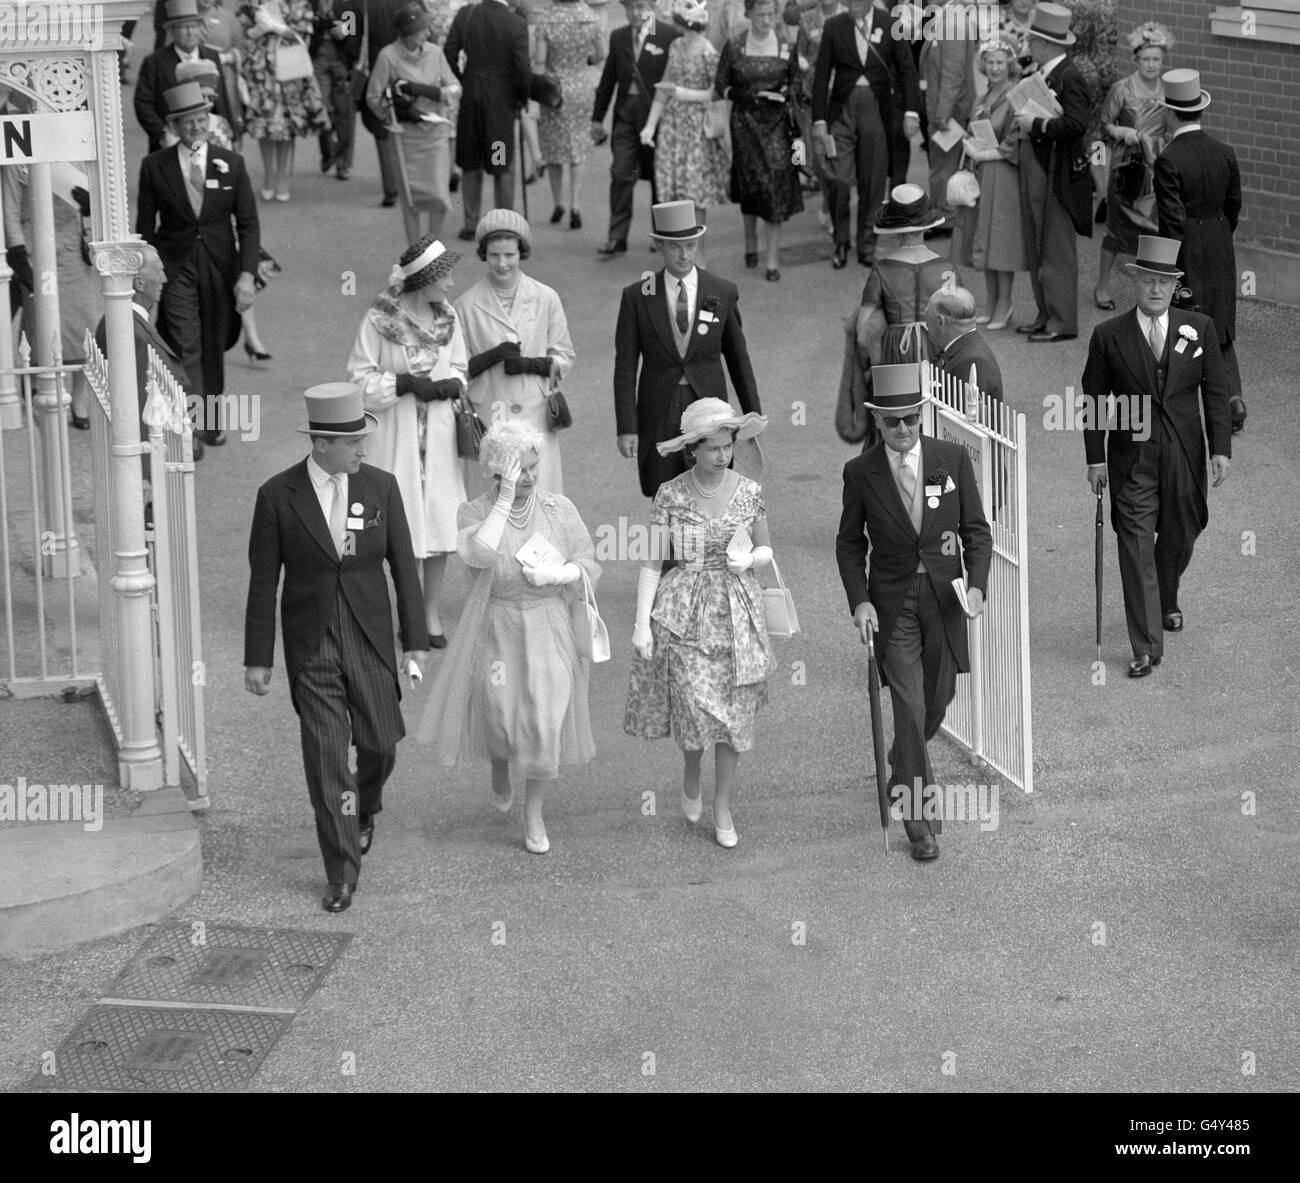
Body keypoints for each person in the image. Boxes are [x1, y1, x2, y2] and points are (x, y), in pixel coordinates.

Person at [243, 383, 428, 912]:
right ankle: (341, 871)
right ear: (323, 444)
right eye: (353, 444)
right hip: (313, 646)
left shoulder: (382, 488)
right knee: (327, 759)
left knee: (381, 745)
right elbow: (263, 583)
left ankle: (365, 807)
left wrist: (414, 642)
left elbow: (404, 569)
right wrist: (259, 656)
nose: (363, 451)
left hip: (368, 638)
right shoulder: (277, 496)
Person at [416, 420, 600, 854]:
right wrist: (501, 503)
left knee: (545, 720)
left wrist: (561, 572)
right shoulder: (474, 512)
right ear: (494, 475)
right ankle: (499, 760)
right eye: (519, 472)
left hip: (547, 621)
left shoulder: (558, 508)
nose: (530, 479)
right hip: (496, 624)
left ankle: (533, 813)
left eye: (534, 468)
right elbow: (478, 555)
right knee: (500, 714)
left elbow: (588, 563)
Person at [835, 362, 991, 861]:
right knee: (909, 707)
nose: (902, 430)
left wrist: (979, 587)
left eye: (910, 419)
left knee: (937, 700)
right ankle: (920, 823)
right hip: (892, 605)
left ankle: (902, 762)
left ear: (922, 414)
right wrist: (859, 601)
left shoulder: (953, 458)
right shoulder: (860, 473)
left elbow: (977, 533)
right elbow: (847, 543)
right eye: (891, 421)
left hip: (945, 601)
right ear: (877, 421)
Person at [624, 398, 775, 848]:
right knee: (692, 706)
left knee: (734, 717)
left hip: (736, 610)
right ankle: (692, 769)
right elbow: (652, 561)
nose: (722, 455)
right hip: (685, 609)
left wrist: (748, 558)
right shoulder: (669, 494)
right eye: (712, 448)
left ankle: (722, 806)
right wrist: (641, 624)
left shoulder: (749, 491)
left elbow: (767, 551)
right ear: (693, 449)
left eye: (727, 446)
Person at [1082, 235, 1232, 678]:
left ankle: (1167, 594)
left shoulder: (1197, 328)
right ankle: (1147, 645)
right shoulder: (1108, 336)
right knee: (1134, 542)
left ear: (1174, 288)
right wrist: (1095, 460)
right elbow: (1093, 401)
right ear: (1136, 282)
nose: (1155, 290)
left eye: (1163, 284)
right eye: (1148, 281)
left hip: (1184, 451)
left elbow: (1216, 392)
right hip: (1132, 456)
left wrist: (1220, 448)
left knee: (1183, 530)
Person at [347, 235, 468, 648]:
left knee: (438, 523)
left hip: (438, 437)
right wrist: (401, 383)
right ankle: (409, 615)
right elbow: (358, 383)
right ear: (424, 280)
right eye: (445, 275)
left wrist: (453, 384)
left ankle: (430, 613)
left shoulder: (448, 318)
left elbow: (462, 366)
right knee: (404, 530)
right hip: (397, 435)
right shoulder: (379, 320)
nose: (451, 284)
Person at [135, 82, 260, 446]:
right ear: (174, 126)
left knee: (214, 344)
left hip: (220, 268)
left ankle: (212, 417)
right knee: (185, 344)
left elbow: (248, 223)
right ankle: (189, 427)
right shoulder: (154, 167)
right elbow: (145, 226)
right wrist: (143, 275)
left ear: (209, 120)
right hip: (175, 268)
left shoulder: (231, 163)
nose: (196, 126)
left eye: (201, 118)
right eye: (187, 121)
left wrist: (248, 275)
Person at [614, 200, 761, 498]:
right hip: (659, 410)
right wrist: (626, 427)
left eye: (691, 245)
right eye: (674, 247)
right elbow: (626, 367)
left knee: (711, 491)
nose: (684, 255)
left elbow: (738, 359)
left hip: (709, 409)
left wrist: (754, 412)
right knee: (663, 492)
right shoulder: (637, 296)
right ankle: (668, 546)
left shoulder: (721, 291)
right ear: (659, 247)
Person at [453, 209, 575, 497]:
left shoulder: (546, 297)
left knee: (538, 490)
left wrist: (532, 364)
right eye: (494, 255)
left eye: (510, 255)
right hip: (490, 411)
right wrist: (492, 356)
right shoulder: (466, 305)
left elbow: (564, 355)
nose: (502, 263)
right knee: (492, 492)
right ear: (484, 254)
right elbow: (457, 369)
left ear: (522, 253)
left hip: (534, 410)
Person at [1154, 68, 1247, 434]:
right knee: (1220, 326)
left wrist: (1168, 266)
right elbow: (1234, 206)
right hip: (1220, 241)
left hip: (1188, 247)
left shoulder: (1169, 158)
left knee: (1187, 326)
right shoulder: (1225, 152)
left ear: (1172, 113)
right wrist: (1219, 235)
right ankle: (1231, 401)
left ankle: (1182, 408)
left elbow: (1172, 221)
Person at [811, 0, 920, 270]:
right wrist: (819, 119)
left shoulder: (891, 23)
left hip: (878, 109)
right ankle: (840, 240)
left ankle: (867, 243)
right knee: (838, 178)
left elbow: (907, 69)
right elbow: (822, 75)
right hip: (842, 112)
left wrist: (911, 112)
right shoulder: (834, 26)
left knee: (872, 181)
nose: (852, 5)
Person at [93, 245, 203, 513]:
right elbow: (137, 408)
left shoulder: (129, 321)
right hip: (151, 463)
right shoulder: (131, 334)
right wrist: (145, 476)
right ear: (140, 282)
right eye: (160, 271)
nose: (165, 279)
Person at [1011, 2, 1092, 344]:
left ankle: (1062, 321)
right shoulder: (1045, 75)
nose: (1030, 46)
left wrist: (1037, 124)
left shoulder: (1070, 76)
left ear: (1046, 44)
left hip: (1056, 172)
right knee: (1037, 244)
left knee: (1056, 247)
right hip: (1039, 164)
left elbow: (1077, 124)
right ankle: (1046, 314)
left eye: (1033, 40)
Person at [714, 0, 803, 281]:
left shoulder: (786, 44)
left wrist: (789, 91)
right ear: (748, 14)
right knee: (751, 183)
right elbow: (720, 83)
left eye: (771, 15)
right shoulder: (735, 45)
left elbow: (797, 80)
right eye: (761, 15)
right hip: (745, 124)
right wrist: (736, 94)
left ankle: (773, 259)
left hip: (776, 123)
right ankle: (750, 241)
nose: (767, 20)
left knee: (775, 183)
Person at [1092, 22, 1176, 312]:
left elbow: (1175, 127)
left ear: (1163, 61)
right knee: (1116, 230)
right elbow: (1103, 126)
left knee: (1156, 230)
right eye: (1146, 59)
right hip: (1126, 169)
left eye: (1156, 59)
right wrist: (1122, 133)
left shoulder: (1170, 91)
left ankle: (1153, 293)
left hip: (1157, 171)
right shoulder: (1121, 89)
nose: (1151, 64)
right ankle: (1101, 286)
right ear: (1136, 59)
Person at [638, 0, 728, 267]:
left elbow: (716, 92)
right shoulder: (676, 47)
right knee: (672, 191)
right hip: (673, 128)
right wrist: (651, 124)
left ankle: (699, 261)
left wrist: (687, 94)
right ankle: (677, 260)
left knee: (695, 196)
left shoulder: (709, 52)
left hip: (696, 129)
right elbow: (665, 87)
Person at [590, 0, 681, 257]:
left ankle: (662, 236)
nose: (635, 13)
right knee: (620, 174)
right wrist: (597, 118)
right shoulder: (619, 36)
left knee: (658, 178)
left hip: (657, 117)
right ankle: (616, 238)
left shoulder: (668, 35)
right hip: (625, 117)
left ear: (653, 5)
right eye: (629, 7)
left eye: (640, 6)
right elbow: (608, 79)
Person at [367, 3, 461, 243]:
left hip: (435, 133)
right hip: (406, 138)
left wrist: (433, 92)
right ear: (407, 34)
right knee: (411, 199)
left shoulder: (435, 53)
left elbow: (455, 88)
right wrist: (393, 117)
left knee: (439, 196)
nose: (427, 34)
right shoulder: (388, 56)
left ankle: (434, 251)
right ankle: (415, 255)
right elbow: (373, 97)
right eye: (422, 30)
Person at [445, 0, 531, 241]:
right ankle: (503, 223)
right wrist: (521, 98)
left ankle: (471, 223)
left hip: (471, 95)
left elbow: (449, 53)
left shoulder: (466, 14)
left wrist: (463, 79)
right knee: (501, 162)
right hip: (501, 102)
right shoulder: (515, 23)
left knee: (471, 161)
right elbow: (523, 69)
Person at [237, 0, 333, 202]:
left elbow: (303, 34)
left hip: (291, 67)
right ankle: (268, 174)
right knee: (264, 124)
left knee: (287, 125)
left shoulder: (301, 3)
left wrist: (273, 26)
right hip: (261, 68)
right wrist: (257, 28)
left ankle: (282, 177)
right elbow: (244, 27)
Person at [958, 35, 1023, 331]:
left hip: (1005, 172)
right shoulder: (981, 98)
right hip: (984, 172)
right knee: (984, 237)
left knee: (1002, 240)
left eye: (1000, 62)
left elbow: (1015, 141)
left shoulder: (1015, 96)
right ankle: (990, 301)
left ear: (1009, 64)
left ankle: (1005, 303)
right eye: (990, 62)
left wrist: (984, 151)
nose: (995, 68)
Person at [855, 184, 956, 367]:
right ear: (926, 227)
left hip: (895, 355)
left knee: (898, 395)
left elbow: (863, 334)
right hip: (938, 353)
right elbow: (960, 324)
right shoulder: (947, 269)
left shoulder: (881, 270)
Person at [534, 0, 606, 230]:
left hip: (554, 89)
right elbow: (602, 53)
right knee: (578, 145)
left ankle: (558, 203)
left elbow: (540, 60)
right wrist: (585, 61)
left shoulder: (545, 19)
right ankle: (576, 204)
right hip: (581, 85)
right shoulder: (590, 17)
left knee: (554, 146)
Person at [135, 0, 235, 153]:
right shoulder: (154, 62)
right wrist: (162, 134)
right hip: (170, 144)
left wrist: (231, 134)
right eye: (183, 27)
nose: (190, 32)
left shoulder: (211, 56)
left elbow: (222, 100)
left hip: (211, 140)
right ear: (172, 31)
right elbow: (143, 103)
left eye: (194, 26)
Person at [788, 0, 845, 238]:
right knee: (820, 159)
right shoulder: (807, 18)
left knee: (842, 157)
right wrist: (803, 64)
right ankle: (829, 203)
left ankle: (834, 204)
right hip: (814, 100)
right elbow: (800, 53)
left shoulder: (850, 15)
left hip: (844, 98)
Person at [918, 0, 975, 231]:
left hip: (949, 113)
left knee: (944, 168)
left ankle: (946, 220)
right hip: (947, 109)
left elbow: (953, 74)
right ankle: (944, 216)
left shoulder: (952, 20)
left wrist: (942, 114)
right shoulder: (948, 15)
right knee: (944, 167)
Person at [925, 283, 1003, 408]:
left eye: (927, 315)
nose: (925, 323)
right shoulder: (963, 349)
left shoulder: (973, 361)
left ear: (941, 321)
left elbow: (965, 421)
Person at [311, 0, 363, 180]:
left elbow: (356, 35)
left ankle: (342, 163)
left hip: (341, 60)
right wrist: (322, 19)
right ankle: (328, 152)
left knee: (343, 112)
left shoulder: (348, 4)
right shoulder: (312, 3)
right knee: (322, 109)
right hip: (318, 59)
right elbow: (303, 30)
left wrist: (346, 31)